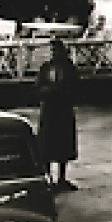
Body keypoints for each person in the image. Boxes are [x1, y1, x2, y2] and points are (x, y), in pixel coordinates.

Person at [36, 39, 80, 190]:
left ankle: (62, 178)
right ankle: (48, 178)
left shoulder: (69, 68)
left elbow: (76, 87)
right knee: (46, 144)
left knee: (63, 144)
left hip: (63, 109)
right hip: (50, 109)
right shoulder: (46, 68)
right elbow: (38, 87)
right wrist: (47, 92)